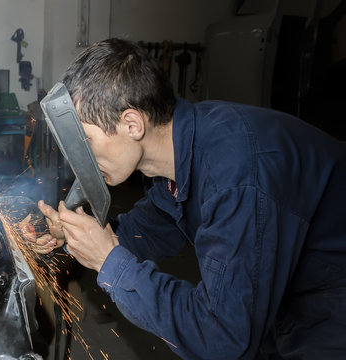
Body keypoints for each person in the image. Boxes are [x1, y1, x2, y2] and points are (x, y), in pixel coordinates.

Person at [20, 38, 346, 359]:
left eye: (87, 140)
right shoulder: (181, 151)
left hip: (332, 301)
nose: (82, 159)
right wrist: (76, 237)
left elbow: (223, 339)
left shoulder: (236, 177)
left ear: (132, 124)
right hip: (290, 291)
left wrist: (110, 262)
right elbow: (149, 229)